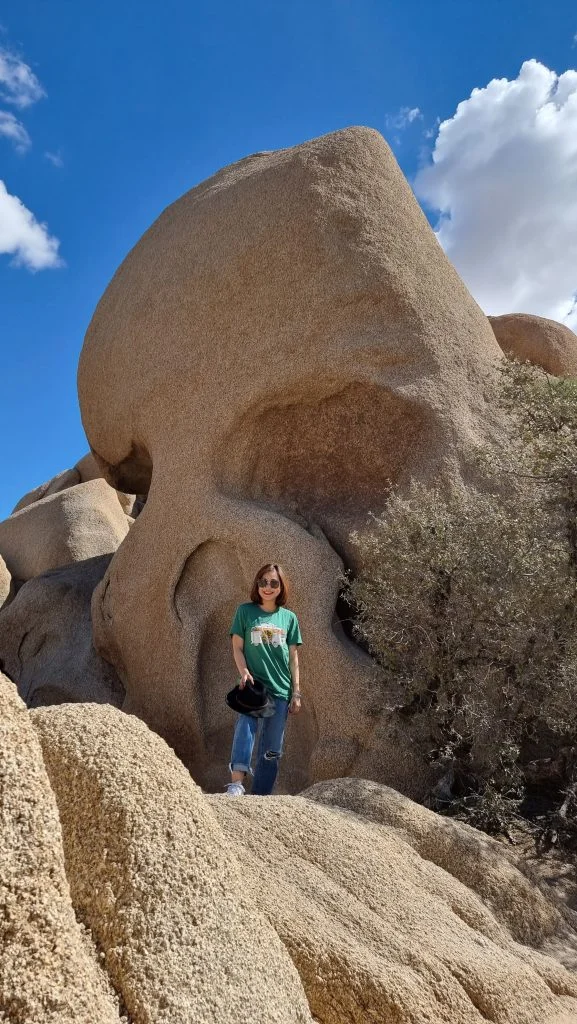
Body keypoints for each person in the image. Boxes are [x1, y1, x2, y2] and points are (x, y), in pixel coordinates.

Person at [226, 563, 302, 796]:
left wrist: (296, 692)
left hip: (281, 688)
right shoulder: (245, 612)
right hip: (254, 686)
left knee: (272, 749)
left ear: (281, 588)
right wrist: (244, 672)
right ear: (257, 584)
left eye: (273, 583)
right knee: (245, 729)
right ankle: (236, 784)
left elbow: (293, 658)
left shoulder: (289, 618)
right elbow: (237, 647)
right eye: (263, 582)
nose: (267, 587)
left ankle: (261, 796)